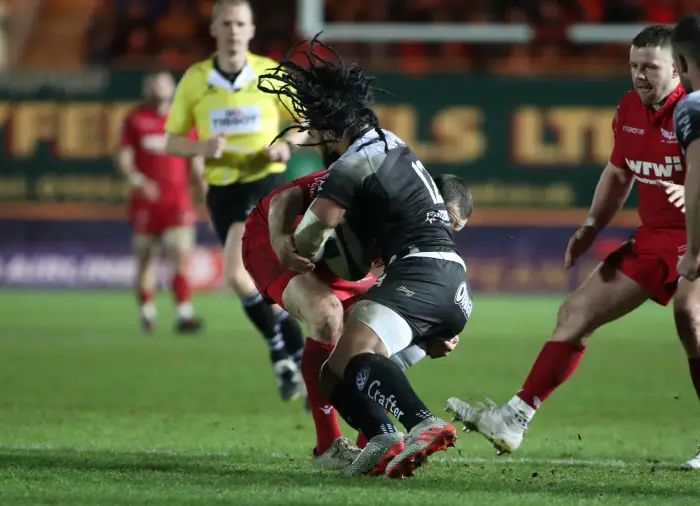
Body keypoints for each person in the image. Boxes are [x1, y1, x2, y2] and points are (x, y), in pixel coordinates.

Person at [447, 24, 700, 470]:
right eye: (634, 66)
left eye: (651, 67)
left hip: (697, 237)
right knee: (574, 313)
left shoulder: (693, 111)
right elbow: (619, 174)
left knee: (690, 315)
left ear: (678, 69)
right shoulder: (628, 108)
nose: (640, 75)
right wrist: (589, 225)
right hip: (654, 239)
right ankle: (514, 418)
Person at [258, 36, 473, 478]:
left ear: (333, 127)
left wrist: (301, 251)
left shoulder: (352, 164)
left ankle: (422, 424)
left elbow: (318, 226)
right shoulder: (391, 141)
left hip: (419, 274)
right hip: (451, 286)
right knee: (334, 376)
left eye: (318, 131)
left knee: (356, 358)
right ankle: (382, 439)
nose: (317, 141)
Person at [242, 166, 469, 470]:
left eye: (454, 229)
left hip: (341, 264)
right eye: (446, 220)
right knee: (327, 316)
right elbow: (287, 197)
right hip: (280, 242)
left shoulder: (421, 233)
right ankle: (328, 447)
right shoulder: (382, 179)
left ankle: (375, 439)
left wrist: (430, 336)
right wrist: (281, 238)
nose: (444, 231)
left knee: (372, 333)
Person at [163, 0, 307, 401]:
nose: (233, 30)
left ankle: (282, 353)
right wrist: (201, 146)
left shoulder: (268, 72)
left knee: (237, 273)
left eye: (240, 23)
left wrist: (285, 147)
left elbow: (303, 120)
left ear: (251, 28)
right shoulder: (195, 79)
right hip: (223, 187)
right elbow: (171, 139)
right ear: (214, 29)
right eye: (226, 23)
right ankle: (295, 356)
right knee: (261, 283)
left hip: (265, 180)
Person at [116, 71, 205, 333]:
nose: (160, 87)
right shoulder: (135, 120)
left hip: (178, 201)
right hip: (145, 202)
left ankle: (184, 314)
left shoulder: (185, 121)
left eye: (164, 83)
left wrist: (206, 193)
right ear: (147, 89)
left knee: (180, 256)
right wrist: (137, 181)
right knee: (146, 259)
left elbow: (196, 162)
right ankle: (147, 314)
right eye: (155, 83)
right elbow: (124, 157)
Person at [670, 12, 700, 470]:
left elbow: (697, 177)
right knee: (688, 309)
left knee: (688, 309)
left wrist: (694, 249)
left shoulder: (692, 106)